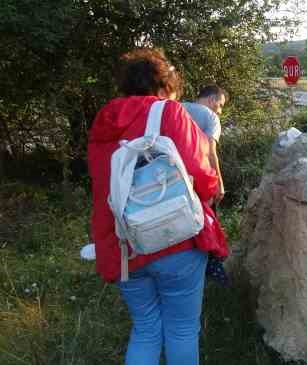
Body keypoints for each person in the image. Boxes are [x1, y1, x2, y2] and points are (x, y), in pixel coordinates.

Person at [87, 48, 228, 365]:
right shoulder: (171, 113)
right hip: (175, 240)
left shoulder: (103, 120)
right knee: (181, 330)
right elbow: (202, 177)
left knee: (146, 329)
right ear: (165, 85)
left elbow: (102, 182)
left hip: (123, 243)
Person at [182, 85, 227, 202]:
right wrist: (219, 183)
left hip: (170, 178)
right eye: (221, 105)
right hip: (198, 181)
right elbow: (210, 152)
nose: (220, 112)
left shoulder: (178, 108)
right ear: (212, 99)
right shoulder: (212, 117)